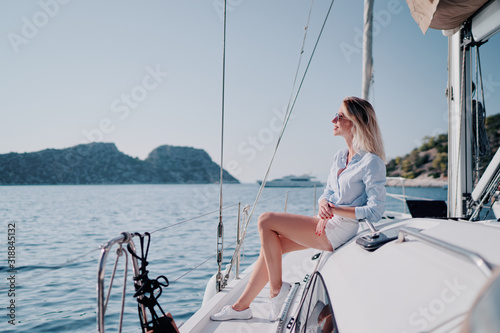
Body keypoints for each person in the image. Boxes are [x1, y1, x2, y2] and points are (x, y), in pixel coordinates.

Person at [211, 96, 386, 322]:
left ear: (354, 123)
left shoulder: (371, 162)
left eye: (340, 116)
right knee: (273, 246)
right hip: (326, 222)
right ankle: (241, 307)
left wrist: (335, 210)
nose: (333, 119)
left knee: (266, 220)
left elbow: (375, 211)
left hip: (340, 229)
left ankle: (277, 291)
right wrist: (324, 203)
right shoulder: (340, 157)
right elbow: (328, 192)